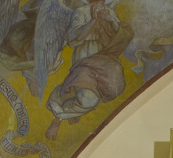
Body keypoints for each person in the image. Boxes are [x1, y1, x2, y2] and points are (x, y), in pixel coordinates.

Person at [45, 0, 133, 141]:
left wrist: (112, 21)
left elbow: (122, 38)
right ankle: (58, 117)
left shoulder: (110, 12)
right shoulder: (81, 12)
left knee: (117, 87)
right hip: (85, 61)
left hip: (106, 62)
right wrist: (92, 21)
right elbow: (73, 37)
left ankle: (69, 101)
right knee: (88, 101)